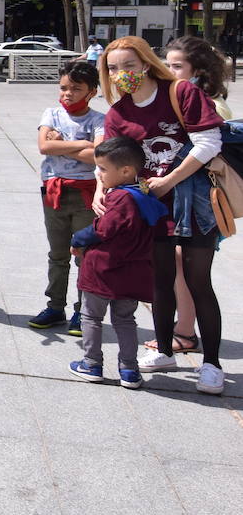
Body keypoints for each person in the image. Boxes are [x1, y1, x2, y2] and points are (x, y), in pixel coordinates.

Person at [98, 36, 226, 395]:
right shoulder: (119, 112)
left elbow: (209, 141)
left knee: (199, 281)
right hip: (151, 207)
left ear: (145, 63)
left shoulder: (180, 93)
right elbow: (109, 158)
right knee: (161, 280)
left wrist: (169, 179)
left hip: (193, 204)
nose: (121, 74)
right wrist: (101, 189)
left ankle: (212, 364)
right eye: (112, 68)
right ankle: (165, 349)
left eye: (128, 66)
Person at [148, 36, 233, 356]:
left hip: (199, 204)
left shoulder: (204, 102)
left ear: (198, 69)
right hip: (188, 201)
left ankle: (184, 332)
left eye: (177, 66)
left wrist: (168, 179)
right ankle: (182, 331)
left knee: (190, 272)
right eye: (167, 65)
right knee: (181, 269)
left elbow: (208, 149)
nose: (170, 71)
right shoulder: (188, 96)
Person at [66, 137, 163, 390]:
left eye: (103, 169)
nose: (98, 174)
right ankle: (129, 370)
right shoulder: (143, 194)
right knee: (125, 320)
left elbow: (104, 229)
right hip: (133, 272)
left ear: (126, 171)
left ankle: (91, 363)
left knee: (91, 317)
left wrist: (78, 238)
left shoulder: (120, 198)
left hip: (104, 271)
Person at [27, 61, 104, 334]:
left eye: (75, 88)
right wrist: (82, 144)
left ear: (91, 91)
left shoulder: (99, 120)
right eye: (63, 88)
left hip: (86, 196)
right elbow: (44, 145)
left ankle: (83, 312)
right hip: (54, 193)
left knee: (84, 254)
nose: (67, 94)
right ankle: (55, 306)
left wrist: (64, 146)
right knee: (57, 254)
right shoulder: (51, 114)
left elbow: (98, 155)